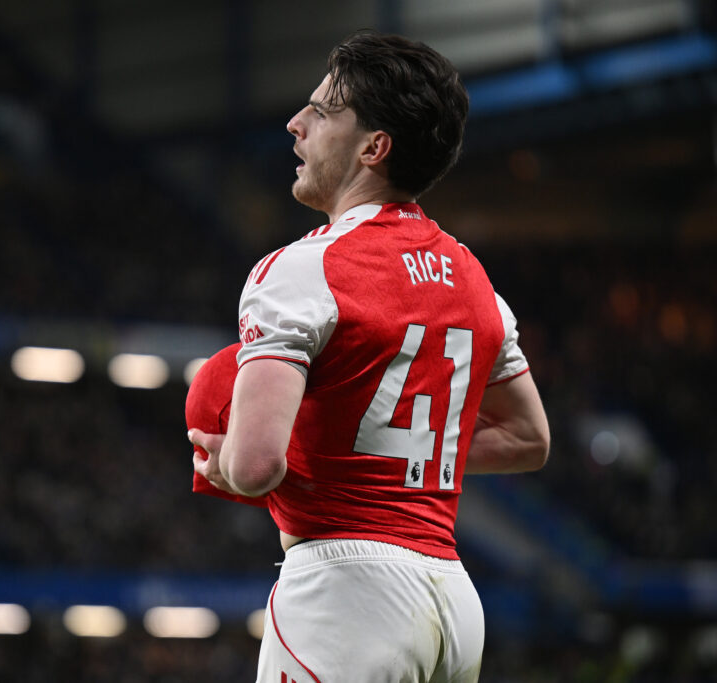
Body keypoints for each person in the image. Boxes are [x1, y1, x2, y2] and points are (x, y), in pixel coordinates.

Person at [187, 31, 550, 682]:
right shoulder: (475, 280)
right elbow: (529, 437)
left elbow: (256, 464)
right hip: (453, 600)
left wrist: (226, 461)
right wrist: (396, 449)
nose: (295, 125)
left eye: (321, 112)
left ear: (373, 147)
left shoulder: (299, 269)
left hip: (346, 595)